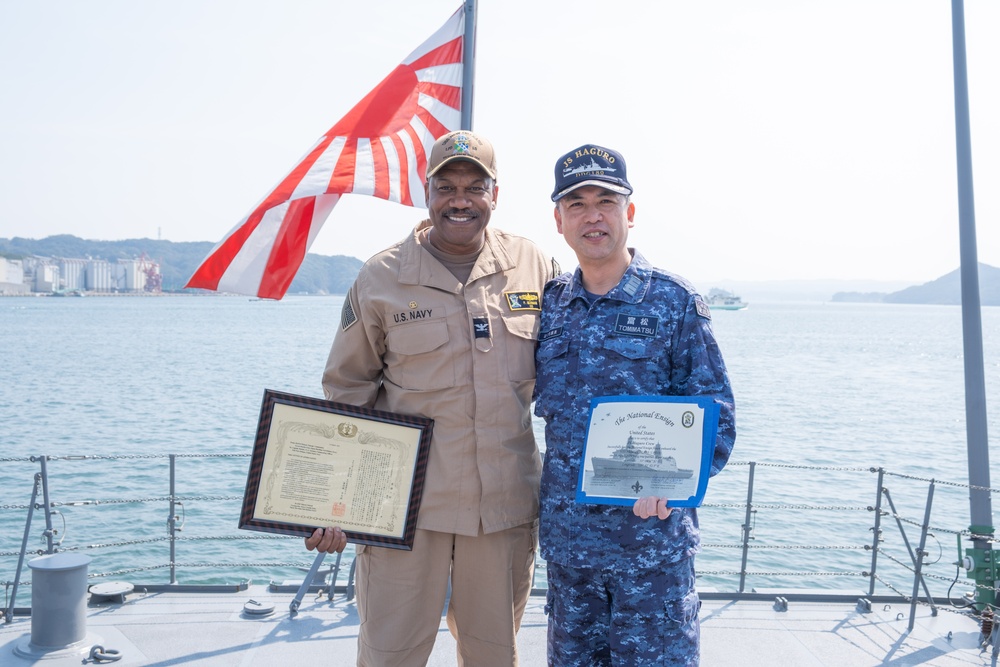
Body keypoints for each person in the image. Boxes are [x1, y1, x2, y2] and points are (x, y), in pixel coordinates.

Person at [305, 130, 559, 666]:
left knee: (494, 657)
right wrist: (332, 502)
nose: (460, 199)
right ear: (427, 192)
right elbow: (347, 392)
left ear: (496, 193)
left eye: (474, 186)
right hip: (404, 512)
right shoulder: (381, 275)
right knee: (389, 655)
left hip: (503, 512)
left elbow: (570, 377)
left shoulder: (534, 265)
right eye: (446, 186)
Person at [533, 144, 736, 666]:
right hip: (570, 553)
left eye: (606, 200)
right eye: (576, 204)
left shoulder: (673, 301)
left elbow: (716, 415)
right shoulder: (551, 305)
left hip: (650, 551)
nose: (592, 215)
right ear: (559, 220)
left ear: (630, 213)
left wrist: (673, 488)